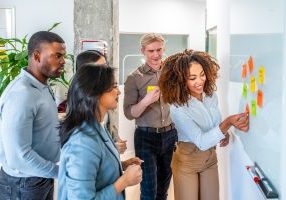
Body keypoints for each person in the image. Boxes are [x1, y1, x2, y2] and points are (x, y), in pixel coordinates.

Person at [158, 49, 249, 200]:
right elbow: (201, 141)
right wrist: (227, 123)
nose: (200, 81)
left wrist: (224, 132)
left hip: (210, 159)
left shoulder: (211, 96)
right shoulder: (177, 107)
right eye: (192, 78)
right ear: (180, 80)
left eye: (202, 74)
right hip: (187, 161)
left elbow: (213, 125)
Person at [58, 64, 143, 199]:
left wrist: (121, 165)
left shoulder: (97, 126)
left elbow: (95, 171)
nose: (118, 92)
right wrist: (124, 181)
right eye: (114, 86)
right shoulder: (82, 142)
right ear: (95, 92)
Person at [0, 31, 66, 199]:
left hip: (40, 176)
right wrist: (60, 172)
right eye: (57, 56)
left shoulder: (42, 86)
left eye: (63, 56)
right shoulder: (22, 94)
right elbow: (18, 157)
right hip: (23, 183)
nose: (63, 61)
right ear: (37, 56)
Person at [123, 33, 177, 200]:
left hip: (169, 135)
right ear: (143, 51)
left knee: (163, 188)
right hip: (145, 137)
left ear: (164, 49)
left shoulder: (170, 73)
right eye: (151, 50)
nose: (156, 55)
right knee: (148, 190)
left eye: (159, 50)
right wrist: (145, 101)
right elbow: (129, 113)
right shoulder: (134, 78)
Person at [57, 49, 127, 154]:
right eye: (100, 68)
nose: (106, 72)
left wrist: (114, 143)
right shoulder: (81, 138)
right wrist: (111, 149)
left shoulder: (100, 107)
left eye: (106, 66)